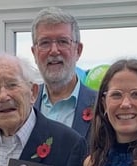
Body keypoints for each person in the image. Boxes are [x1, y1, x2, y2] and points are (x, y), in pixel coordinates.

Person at [30, 6, 97, 141]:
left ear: (78, 50)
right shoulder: (25, 105)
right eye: (45, 43)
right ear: (34, 53)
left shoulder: (101, 106)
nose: (54, 51)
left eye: (62, 41)